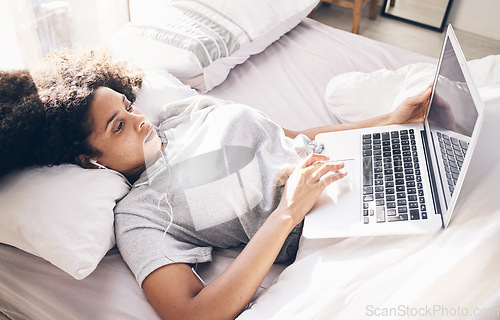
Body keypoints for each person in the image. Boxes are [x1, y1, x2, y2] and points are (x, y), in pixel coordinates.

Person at [0, 49, 432, 320]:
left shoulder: (181, 114)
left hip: (361, 164)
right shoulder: (141, 215)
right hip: (335, 226)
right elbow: (190, 313)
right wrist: (287, 213)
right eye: (119, 127)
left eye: (129, 107)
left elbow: (287, 135)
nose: (140, 120)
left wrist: (387, 122)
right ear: (88, 161)